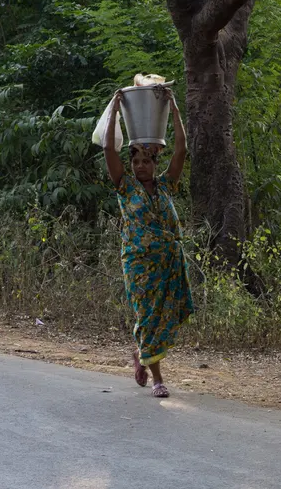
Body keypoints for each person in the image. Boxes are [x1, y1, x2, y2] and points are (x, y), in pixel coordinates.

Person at [103, 88, 193, 398]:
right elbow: (109, 151)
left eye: (146, 161)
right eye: (136, 162)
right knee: (147, 315)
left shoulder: (167, 185)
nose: (140, 166)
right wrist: (115, 111)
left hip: (167, 263)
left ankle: (142, 357)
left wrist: (174, 109)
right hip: (138, 265)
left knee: (161, 316)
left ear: (155, 163)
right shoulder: (125, 188)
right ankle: (158, 379)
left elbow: (181, 149)